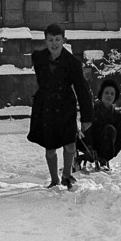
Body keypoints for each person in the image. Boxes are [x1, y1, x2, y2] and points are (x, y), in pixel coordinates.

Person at [27, 23, 93, 189]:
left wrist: (87, 118)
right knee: (50, 146)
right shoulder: (39, 57)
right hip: (46, 107)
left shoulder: (72, 63)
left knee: (69, 143)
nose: (54, 44)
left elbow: (82, 90)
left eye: (57, 40)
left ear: (64, 40)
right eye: (50, 40)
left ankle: (67, 175)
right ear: (45, 41)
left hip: (66, 107)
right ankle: (54, 179)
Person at [77, 78, 121, 171]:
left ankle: (103, 161)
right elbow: (86, 130)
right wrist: (88, 148)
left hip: (107, 147)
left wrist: (112, 153)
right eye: (106, 93)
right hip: (90, 145)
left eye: (112, 94)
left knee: (109, 129)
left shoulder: (117, 115)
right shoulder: (92, 110)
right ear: (101, 94)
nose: (109, 96)